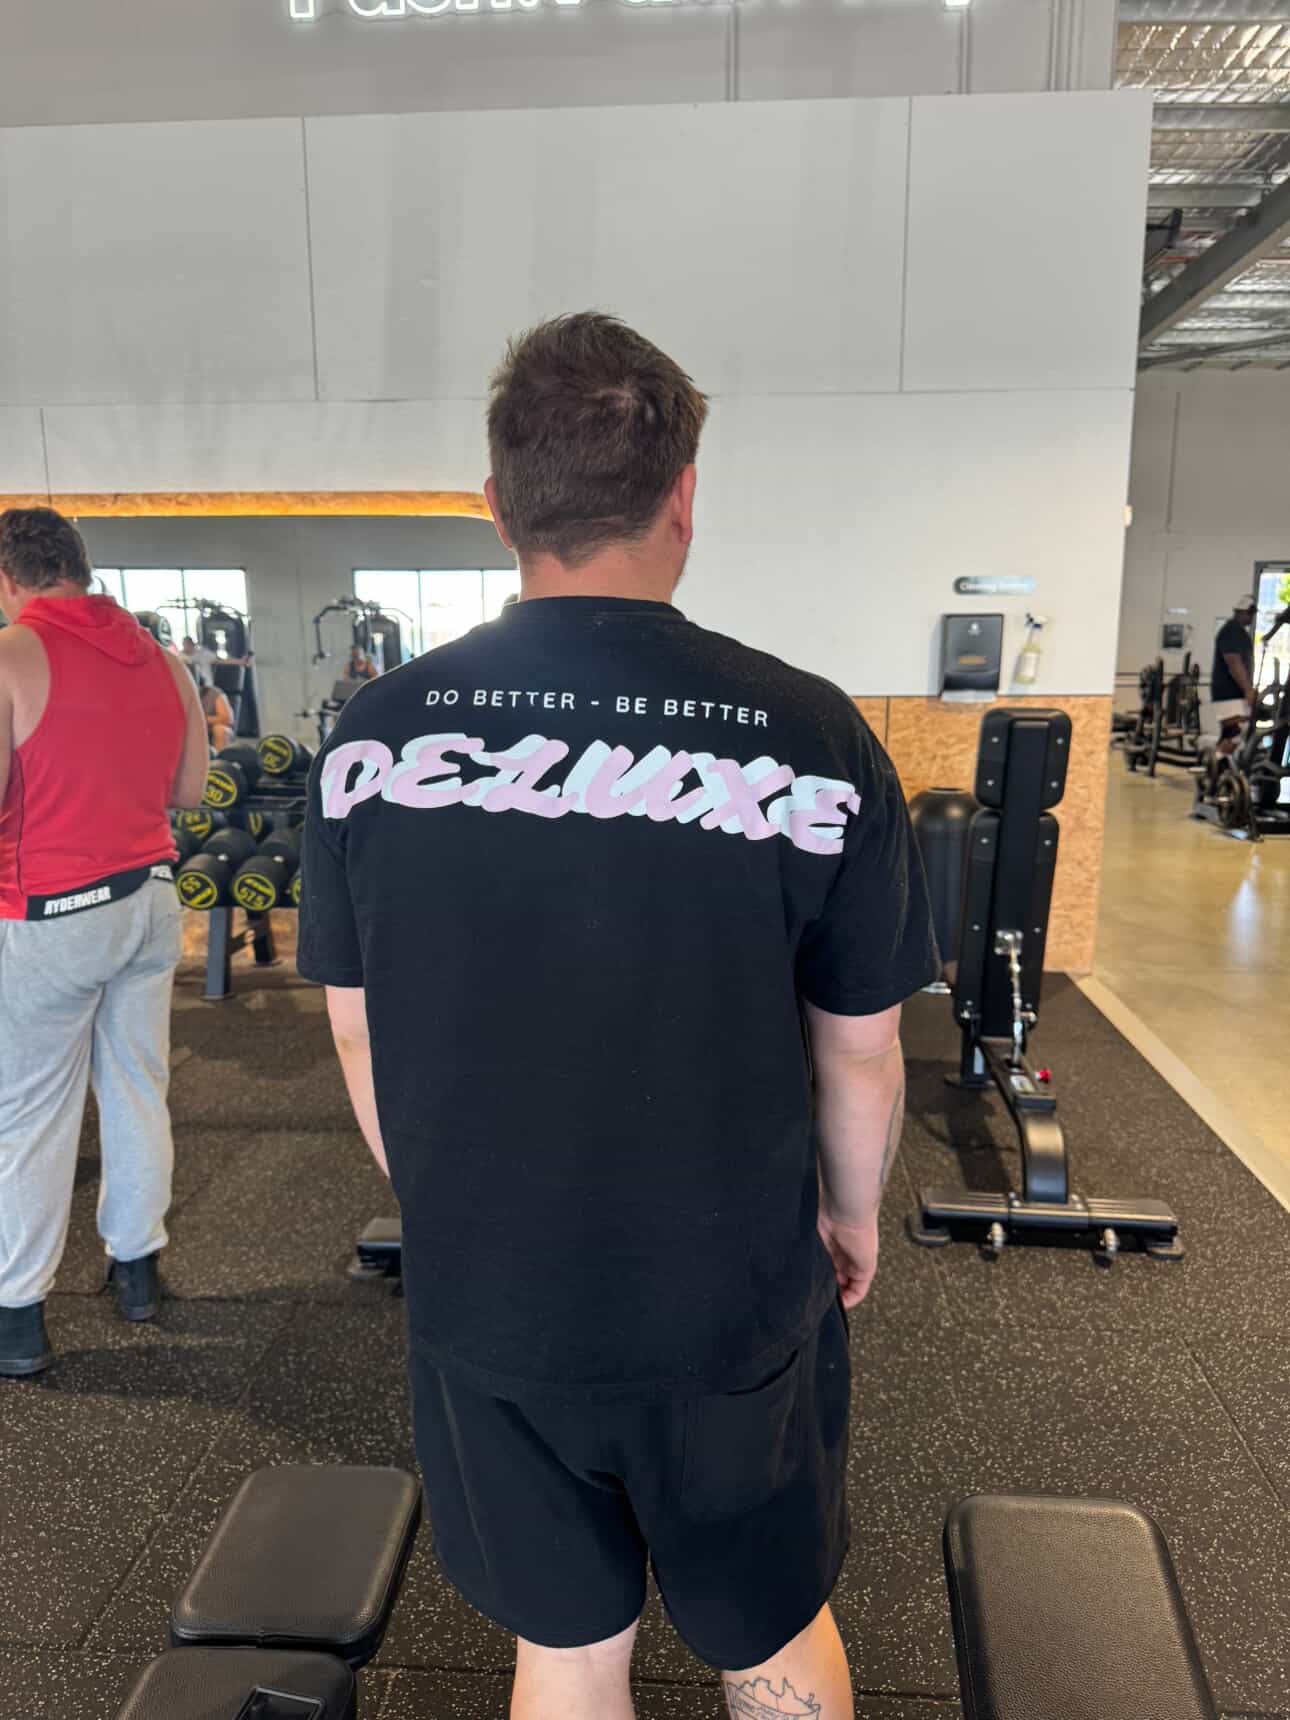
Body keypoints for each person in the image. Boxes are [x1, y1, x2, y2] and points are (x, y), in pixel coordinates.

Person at [298, 313, 938, 1720]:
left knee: (570, 1649)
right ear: (683, 495)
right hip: (729, 1300)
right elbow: (862, 1046)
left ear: (498, 504)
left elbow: (357, 1029)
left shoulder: (375, 738)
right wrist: (850, 1217)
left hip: (495, 1296)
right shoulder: (813, 735)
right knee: (769, 1640)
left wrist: (453, 1210)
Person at [0, 508, 209, 1377]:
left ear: (8, 578)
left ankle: (17, 1316)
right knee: (136, 1087)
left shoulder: (12, 653)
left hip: (51, 911)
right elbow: (190, 788)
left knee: (30, 1115)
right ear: (79, 568)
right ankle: (137, 1271)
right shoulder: (165, 660)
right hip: (150, 901)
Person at [1211, 594, 1257, 754]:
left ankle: (1221, 764)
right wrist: (1248, 690)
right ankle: (1217, 762)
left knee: (1234, 735)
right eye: (1251, 614)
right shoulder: (1231, 631)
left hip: (1234, 695)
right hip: (1229, 695)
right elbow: (1233, 662)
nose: (1252, 617)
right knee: (1234, 735)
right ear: (1243, 612)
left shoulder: (1237, 631)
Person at [201, 681, 236, 752]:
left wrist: (202, 719)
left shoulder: (213, 692)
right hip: (190, 731)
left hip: (209, 731)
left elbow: (227, 718)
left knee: (220, 729)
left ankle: (220, 758)